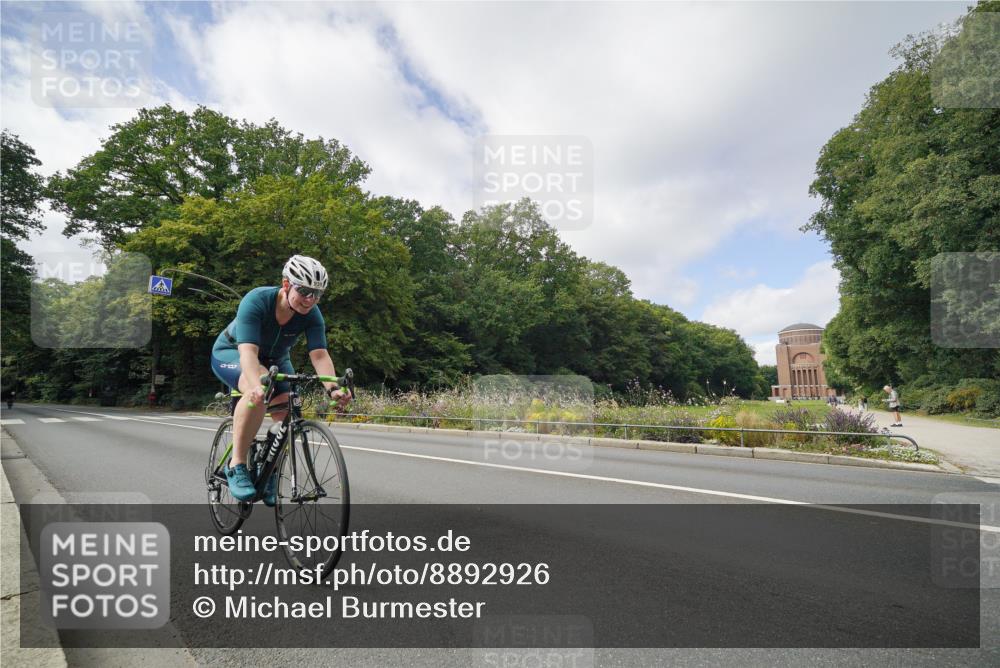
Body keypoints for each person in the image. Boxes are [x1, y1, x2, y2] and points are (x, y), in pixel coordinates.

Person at [210, 255, 351, 504]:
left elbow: (319, 355)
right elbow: (248, 353)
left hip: (276, 359)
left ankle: (270, 471)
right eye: (305, 291)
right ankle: (238, 464)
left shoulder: (312, 314)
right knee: (258, 392)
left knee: (286, 412)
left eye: (317, 294)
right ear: (286, 285)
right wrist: (255, 387)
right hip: (233, 352)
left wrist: (333, 388)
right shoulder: (257, 300)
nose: (311, 299)